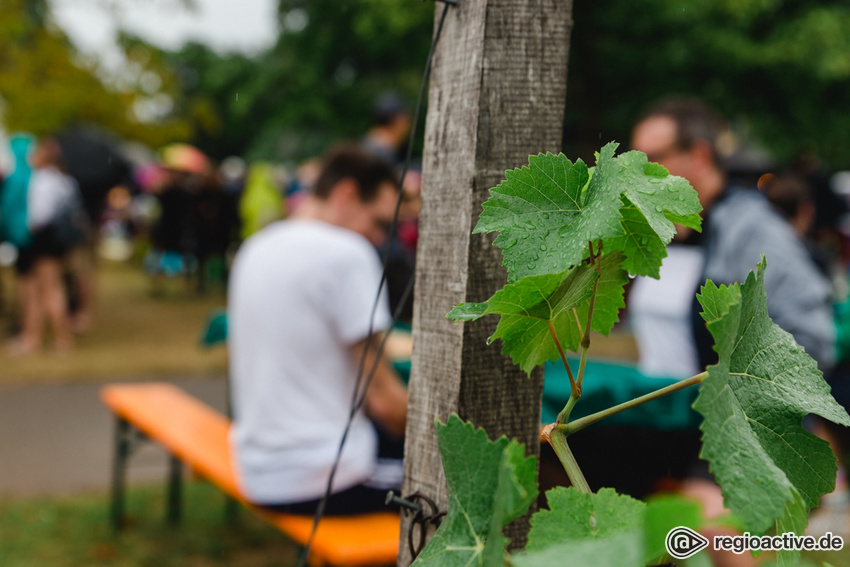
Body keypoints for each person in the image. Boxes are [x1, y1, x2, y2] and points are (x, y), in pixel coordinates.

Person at [228, 144, 408, 515]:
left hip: (258, 468)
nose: (380, 238)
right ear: (347, 194)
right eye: (379, 223)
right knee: (480, 473)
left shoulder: (257, 246)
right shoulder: (346, 253)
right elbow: (386, 404)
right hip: (323, 479)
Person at [8, 137, 86, 355]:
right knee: (50, 288)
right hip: (57, 241)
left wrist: (21, 229)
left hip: (42, 242)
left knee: (44, 290)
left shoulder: (41, 180)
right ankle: (45, 338)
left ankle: (54, 338)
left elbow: (38, 218)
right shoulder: (64, 179)